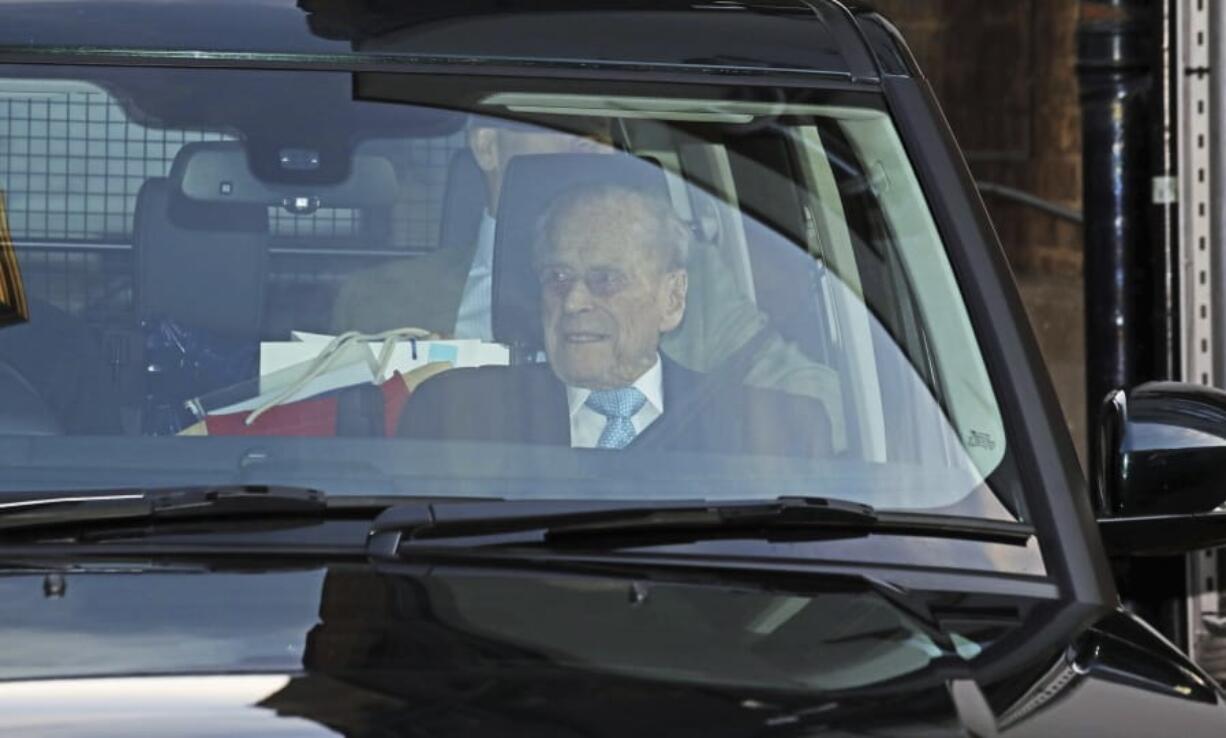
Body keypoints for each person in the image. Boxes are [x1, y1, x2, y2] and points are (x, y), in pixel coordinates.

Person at [332, 114, 848, 449]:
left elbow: (819, 404)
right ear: (487, 144)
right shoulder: (379, 301)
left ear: (673, 296)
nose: (593, 139)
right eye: (560, 118)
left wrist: (660, 380)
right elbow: (338, 450)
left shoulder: (689, 283)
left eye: (605, 124)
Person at [399, 184, 832, 457]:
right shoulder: (455, 417)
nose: (573, 302)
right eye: (558, 277)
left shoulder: (774, 434)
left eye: (605, 279)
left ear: (673, 297)